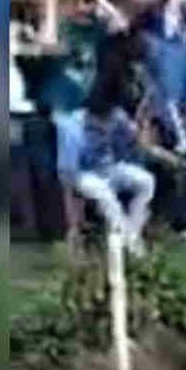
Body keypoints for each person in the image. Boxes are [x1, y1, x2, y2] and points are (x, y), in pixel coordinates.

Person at [72, 57, 155, 256]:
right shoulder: (77, 119)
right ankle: (130, 244)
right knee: (107, 197)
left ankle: (132, 233)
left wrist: (143, 121)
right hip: (85, 174)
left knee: (146, 181)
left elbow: (136, 140)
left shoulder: (116, 114)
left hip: (111, 168)